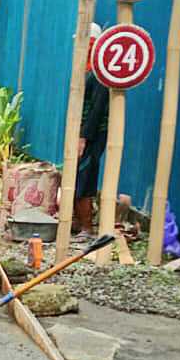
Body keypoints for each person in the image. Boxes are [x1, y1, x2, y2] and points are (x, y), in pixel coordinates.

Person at [75, 23, 107, 237]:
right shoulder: (86, 71)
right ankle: (77, 223)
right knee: (77, 175)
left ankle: (87, 226)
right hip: (83, 133)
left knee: (85, 175)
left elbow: (96, 109)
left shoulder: (99, 74)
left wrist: (84, 136)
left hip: (93, 135)